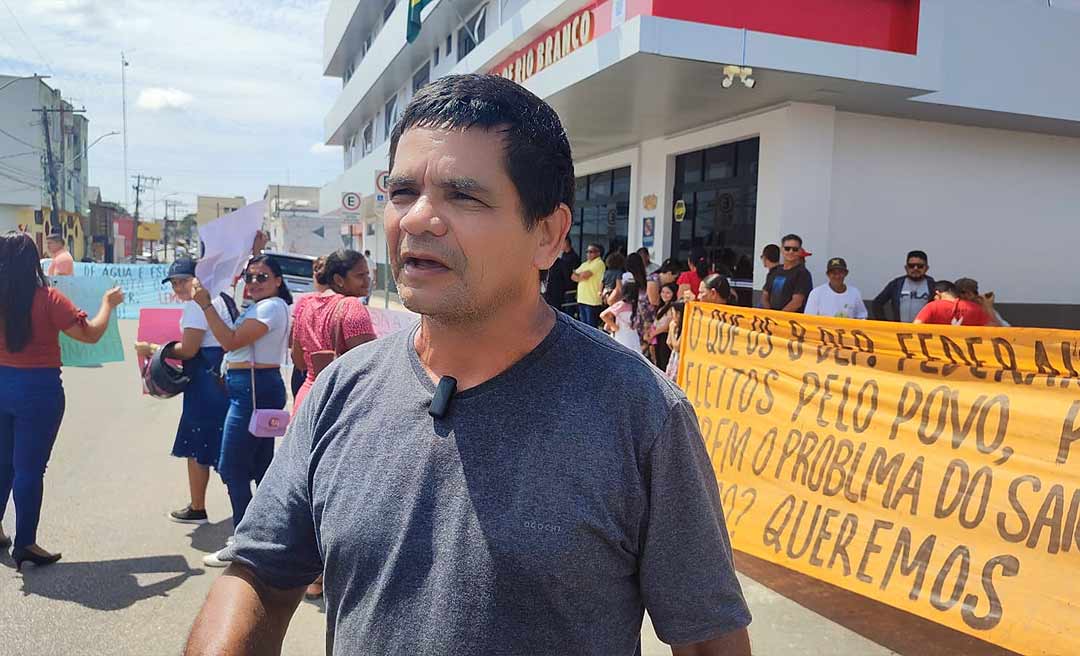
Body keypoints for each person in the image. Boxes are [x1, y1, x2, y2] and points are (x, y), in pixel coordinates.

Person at [186, 73, 750, 656]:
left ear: (549, 235)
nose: (417, 219)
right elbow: (260, 573)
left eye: (465, 196)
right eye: (402, 192)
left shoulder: (642, 414)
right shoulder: (339, 393)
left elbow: (709, 642)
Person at [0, 232, 124, 570]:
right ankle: (25, 542)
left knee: (3, 464)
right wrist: (107, 305)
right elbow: (92, 334)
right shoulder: (49, 298)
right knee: (29, 469)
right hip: (38, 391)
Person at [191, 255, 292, 568]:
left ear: (278, 280)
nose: (253, 283)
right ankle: (271, 534)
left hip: (253, 391)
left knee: (231, 466)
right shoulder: (262, 306)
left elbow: (229, 340)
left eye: (262, 277)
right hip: (253, 388)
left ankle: (244, 539)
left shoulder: (271, 307)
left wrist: (206, 305)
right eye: (250, 277)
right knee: (260, 467)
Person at [135, 258, 233, 526]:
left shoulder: (195, 306)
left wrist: (155, 350)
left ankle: (199, 507)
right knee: (222, 444)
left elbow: (189, 349)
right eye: (174, 282)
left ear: (197, 279)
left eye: (183, 280)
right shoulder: (219, 298)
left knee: (199, 444)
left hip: (205, 380)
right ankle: (239, 508)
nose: (178, 286)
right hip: (220, 377)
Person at [291, 249, 376, 414]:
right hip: (337, 403)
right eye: (360, 276)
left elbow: (298, 360)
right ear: (338, 279)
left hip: (306, 400)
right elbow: (369, 364)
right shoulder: (352, 306)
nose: (367, 281)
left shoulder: (305, 306)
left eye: (368, 275)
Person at [290, 256, 329, 400]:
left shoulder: (304, 301)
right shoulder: (346, 302)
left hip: (304, 372)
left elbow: (293, 340)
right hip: (329, 370)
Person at [871, 250, 935, 322]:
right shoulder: (896, 284)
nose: (915, 268)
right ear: (906, 267)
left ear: (926, 268)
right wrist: (884, 323)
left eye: (920, 266)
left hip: (924, 331)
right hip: (900, 330)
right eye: (911, 266)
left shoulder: (933, 286)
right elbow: (877, 304)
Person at [762, 233, 813, 312]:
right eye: (787, 248)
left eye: (795, 249)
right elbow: (765, 296)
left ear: (800, 251)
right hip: (771, 319)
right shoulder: (774, 271)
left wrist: (778, 317)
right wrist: (770, 314)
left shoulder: (803, 274)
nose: (791, 252)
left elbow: (797, 302)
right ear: (782, 250)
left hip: (791, 321)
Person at [913, 280, 999, 327]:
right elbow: (995, 330)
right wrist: (988, 306)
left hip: (938, 356)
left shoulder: (932, 306)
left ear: (937, 294)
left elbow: (915, 328)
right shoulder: (975, 309)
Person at [804, 257, 868, 319]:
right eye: (833, 273)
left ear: (846, 273)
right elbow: (809, 319)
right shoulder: (816, 293)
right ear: (828, 274)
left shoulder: (854, 292)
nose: (837, 276)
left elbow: (862, 316)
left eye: (840, 272)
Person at [601, 281, 643, 353]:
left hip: (625, 334)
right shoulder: (627, 305)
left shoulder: (623, 304)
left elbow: (603, 315)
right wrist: (614, 326)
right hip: (626, 334)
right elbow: (603, 315)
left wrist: (614, 326)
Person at [571, 243, 605, 327]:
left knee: (591, 327)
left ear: (598, 253)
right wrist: (580, 276)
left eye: (591, 252)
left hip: (592, 301)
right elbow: (572, 277)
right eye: (587, 252)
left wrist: (579, 276)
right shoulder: (585, 264)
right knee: (583, 326)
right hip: (582, 299)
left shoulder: (599, 263)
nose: (588, 254)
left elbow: (585, 275)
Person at [650, 282, 679, 370]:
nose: (664, 295)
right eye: (663, 292)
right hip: (657, 337)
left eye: (668, 293)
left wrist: (653, 334)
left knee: (664, 362)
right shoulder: (662, 307)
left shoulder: (672, 308)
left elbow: (667, 326)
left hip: (664, 337)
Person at [664, 300, 687, 382]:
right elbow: (669, 342)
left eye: (673, 313)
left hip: (681, 362)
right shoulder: (674, 325)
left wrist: (672, 330)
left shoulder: (686, 327)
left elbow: (677, 346)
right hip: (674, 358)